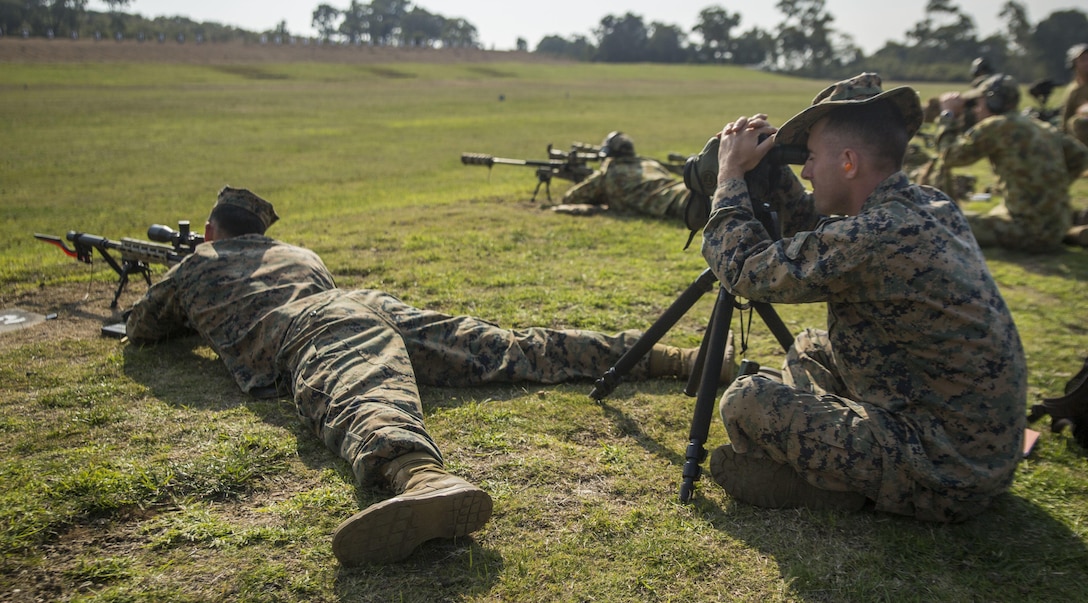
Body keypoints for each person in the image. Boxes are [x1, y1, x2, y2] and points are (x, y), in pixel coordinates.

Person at [125, 187, 734, 566]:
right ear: (263, 231)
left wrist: (181, 282)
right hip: (363, 302)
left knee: (357, 384)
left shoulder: (197, 264)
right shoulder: (300, 254)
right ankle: (671, 357)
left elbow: (145, 329)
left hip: (313, 323)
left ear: (211, 233)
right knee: (503, 345)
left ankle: (421, 479)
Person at [700, 72, 1027, 523]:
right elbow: (820, 238)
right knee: (812, 346)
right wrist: (774, 175)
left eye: (811, 159)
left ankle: (839, 484)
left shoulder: (875, 237)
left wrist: (729, 174)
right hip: (978, 447)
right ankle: (835, 462)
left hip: (945, 471)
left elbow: (744, 268)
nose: (808, 171)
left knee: (746, 400)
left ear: (849, 163)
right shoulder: (927, 205)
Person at [936, 73, 1088, 251]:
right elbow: (1081, 156)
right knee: (996, 213)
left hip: (1027, 230)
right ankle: (1072, 233)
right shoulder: (1041, 126)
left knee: (941, 221)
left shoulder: (997, 126)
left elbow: (950, 156)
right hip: (1058, 225)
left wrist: (948, 115)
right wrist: (1046, 188)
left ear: (994, 102)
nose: (976, 110)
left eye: (979, 103)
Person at [548, 131, 690, 221]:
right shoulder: (650, 163)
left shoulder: (608, 173)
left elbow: (571, 198)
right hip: (688, 190)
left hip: (680, 205)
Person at [1061, 43, 1088, 147]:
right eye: (1083, 60)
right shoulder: (1073, 91)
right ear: (1074, 64)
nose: (1087, 63)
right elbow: (1065, 120)